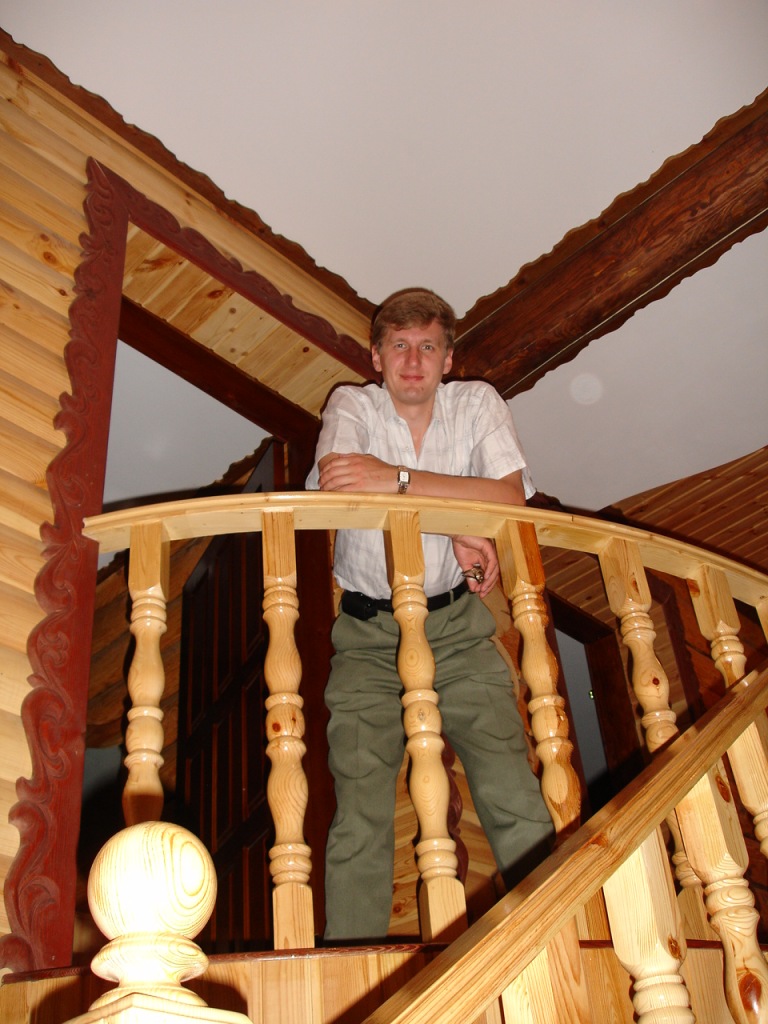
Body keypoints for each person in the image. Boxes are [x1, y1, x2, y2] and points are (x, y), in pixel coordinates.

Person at [306, 287, 553, 941]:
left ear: (448, 359)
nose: (413, 361)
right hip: (367, 636)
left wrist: (398, 480)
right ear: (377, 356)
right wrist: (458, 519)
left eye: (427, 347)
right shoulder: (351, 404)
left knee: (511, 788)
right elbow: (341, 486)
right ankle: (349, 966)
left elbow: (510, 498)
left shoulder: (477, 403)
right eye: (399, 346)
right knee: (359, 810)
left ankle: (552, 937)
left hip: (457, 630)